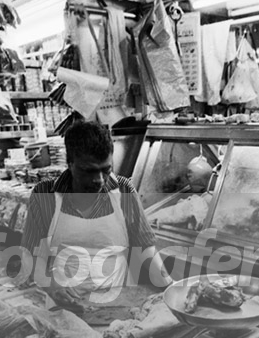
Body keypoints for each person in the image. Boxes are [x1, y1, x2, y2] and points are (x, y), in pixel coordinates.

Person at [20, 120, 173, 310]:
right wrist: (51, 286)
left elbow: (145, 249)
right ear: (70, 163)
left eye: (106, 170)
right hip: (65, 308)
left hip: (119, 305)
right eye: (89, 171)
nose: (99, 180)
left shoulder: (124, 190)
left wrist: (171, 288)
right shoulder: (45, 196)